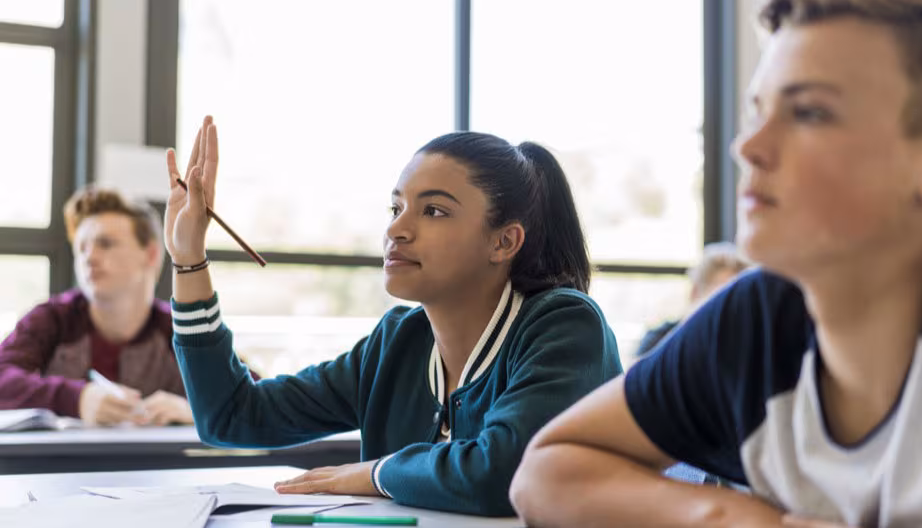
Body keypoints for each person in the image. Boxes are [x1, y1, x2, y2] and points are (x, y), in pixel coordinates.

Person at [510, 0, 922, 526]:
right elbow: (547, 471)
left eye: (810, 112)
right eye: (757, 111)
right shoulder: (759, 321)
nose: (748, 146)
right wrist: (736, 519)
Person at [165, 116, 622, 516]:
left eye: (434, 210)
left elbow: (500, 473)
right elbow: (231, 417)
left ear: (503, 242)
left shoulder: (565, 325)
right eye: (396, 207)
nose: (396, 229)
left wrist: (375, 473)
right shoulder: (398, 341)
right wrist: (188, 261)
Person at [0, 186, 193, 426]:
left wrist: (196, 411)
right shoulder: (50, 319)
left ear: (151, 254)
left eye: (105, 244)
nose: (88, 258)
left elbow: (246, 396)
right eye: (81, 247)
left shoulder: (180, 331)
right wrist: (75, 398)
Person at [635, 241, 749, 357]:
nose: (727, 307)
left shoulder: (743, 346)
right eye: (720, 298)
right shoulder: (658, 342)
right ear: (695, 293)